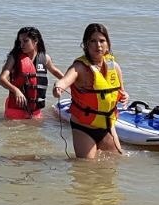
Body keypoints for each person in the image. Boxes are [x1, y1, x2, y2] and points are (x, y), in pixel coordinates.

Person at [53, 22, 126, 159]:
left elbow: (121, 91)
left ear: (108, 44)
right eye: (93, 41)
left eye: (102, 41)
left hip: (107, 126)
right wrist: (58, 87)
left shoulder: (114, 66)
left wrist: (125, 96)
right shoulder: (79, 67)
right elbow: (64, 80)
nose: (98, 45)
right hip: (84, 128)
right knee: (86, 167)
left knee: (115, 162)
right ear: (86, 44)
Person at [0, 26, 54, 120]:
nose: (22, 45)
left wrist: (68, 83)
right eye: (20, 42)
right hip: (15, 109)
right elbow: (1, 79)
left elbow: (55, 71)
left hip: (35, 111)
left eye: (25, 41)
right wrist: (16, 90)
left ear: (35, 41)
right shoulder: (14, 58)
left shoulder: (45, 58)